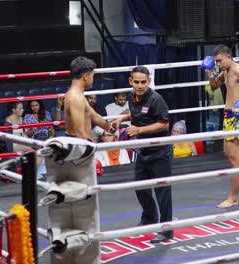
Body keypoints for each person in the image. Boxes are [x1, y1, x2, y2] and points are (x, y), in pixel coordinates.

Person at [112, 66, 173, 243]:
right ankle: (150, 217)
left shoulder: (156, 99)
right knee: (140, 186)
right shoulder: (131, 97)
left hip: (160, 150)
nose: (139, 85)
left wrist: (139, 129)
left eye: (143, 82)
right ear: (131, 81)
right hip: (143, 150)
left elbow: (164, 124)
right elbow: (136, 113)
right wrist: (122, 118)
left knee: (162, 191)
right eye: (136, 82)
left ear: (149, 81)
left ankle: (167, 230)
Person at [202, 44, 239, 208]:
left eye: (220, 61)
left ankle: (233, 198)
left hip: (238, 118)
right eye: (216, 61)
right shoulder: (226, 71)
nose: (218, 64)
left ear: (229, 57)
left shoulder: (236, 69)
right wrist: (210, 72)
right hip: (229, 117)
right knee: (230, 155)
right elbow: (214, 87)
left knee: (235, 159)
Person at [64, 56, 112, 140]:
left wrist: (115, 130)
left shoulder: (79, 96)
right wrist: (90, 147)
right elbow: (79, 132)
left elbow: (95, 117)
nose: (93, 79)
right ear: (86, 76)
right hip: (78, 145)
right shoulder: (76, 98)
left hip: (82, 143)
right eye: (92, 76)